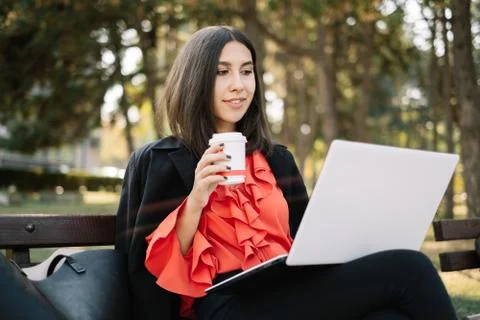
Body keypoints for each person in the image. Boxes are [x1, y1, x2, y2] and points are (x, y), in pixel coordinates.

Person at [115, 25, 457, 320]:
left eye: (246, 71)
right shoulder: (161, 160)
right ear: (195, 80)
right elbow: (143, 271)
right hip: (225, 307)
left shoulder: (276, 159)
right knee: (410, 268)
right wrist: (197, 199)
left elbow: (309, 246)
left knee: (388, 317)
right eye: (222, 72)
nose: (238, 85)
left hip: (286, 292)